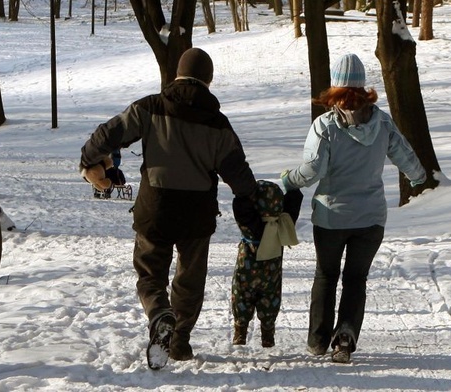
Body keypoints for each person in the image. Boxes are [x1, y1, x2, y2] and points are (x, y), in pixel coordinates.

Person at [79, 48, 259, 370]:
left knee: (150, 273)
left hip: (155, 209)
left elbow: (109, 133)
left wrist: (87, 160)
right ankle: (178, 341)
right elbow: (239, 175)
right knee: (190, 281)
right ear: (209, 80)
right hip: (197, 213)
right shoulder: (218, 124)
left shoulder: (150, 107)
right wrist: (255, 200)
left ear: (177, 73)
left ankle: (159, 312)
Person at [281, 53, 427, 363]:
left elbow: (313, 170)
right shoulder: (382, 121)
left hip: (331, 217)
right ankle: (344, 337)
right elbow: (405, 155)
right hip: (371, 218)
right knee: (356, 279)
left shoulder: (325, 125)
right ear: (363, 88)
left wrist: (287, 181)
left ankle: (318, 341)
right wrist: (418, 176)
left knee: (326, 276)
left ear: (334, 87)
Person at [231, 180, 302, 348]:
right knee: (271, 298)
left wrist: (247, 191)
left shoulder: (250, 226)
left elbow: (240, 205)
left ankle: (240, 329)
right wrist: (291, 183)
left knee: (241, 294)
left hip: (246, 270)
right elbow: (295, 200)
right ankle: (268, 333)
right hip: (271, 273)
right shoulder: (283, 224)